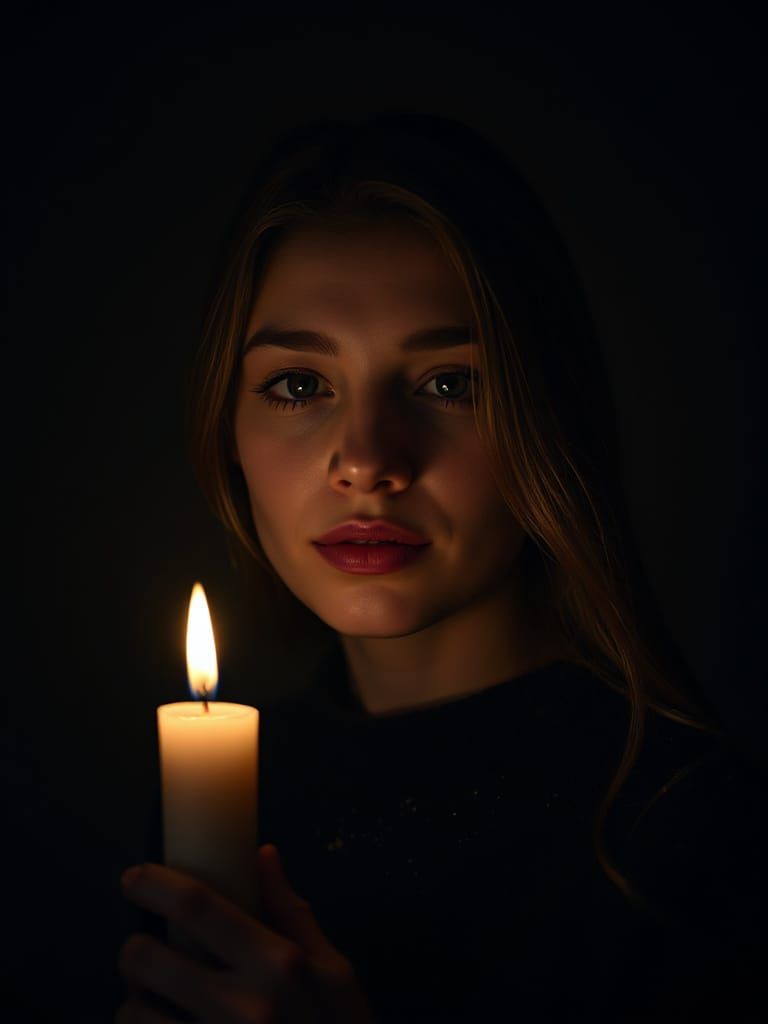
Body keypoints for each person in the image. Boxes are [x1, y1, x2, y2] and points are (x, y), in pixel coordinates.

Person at [117, 111, 766, 1022]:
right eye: (299, 386)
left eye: (450, 383)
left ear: (548, 419)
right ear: (227, 429)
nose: (368, 459)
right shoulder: (221, 809)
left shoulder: (696, 834)